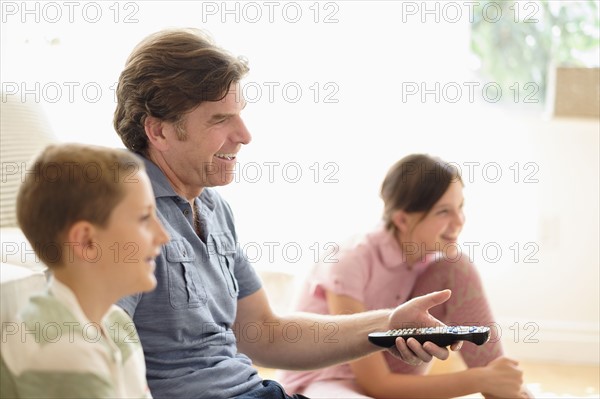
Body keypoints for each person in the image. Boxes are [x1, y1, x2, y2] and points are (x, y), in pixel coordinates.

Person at [112, 28, 461, 399]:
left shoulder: (214, 208)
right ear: (159, 130)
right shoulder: (121, 210)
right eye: (219, 120)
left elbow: (264, 332)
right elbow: (98, 347)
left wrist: (390, 324)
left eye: (239, 115)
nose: (245, 135)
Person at [278, 154, 528, 398]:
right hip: (327, 380)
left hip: (390, 370)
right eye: (443, 212)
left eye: (460, 207)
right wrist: (479, 380)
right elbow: (377, 385)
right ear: (402, 219)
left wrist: (497, 380)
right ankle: (494, 380)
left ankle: (505, 390)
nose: (459, 221)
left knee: (457, 266)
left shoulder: (431, 257)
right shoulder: (349, 260)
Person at [0, 144, 170, 398]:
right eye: (144, 218)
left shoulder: (117, 323)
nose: (163, 236)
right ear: (86, 242)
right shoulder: (62, 349)